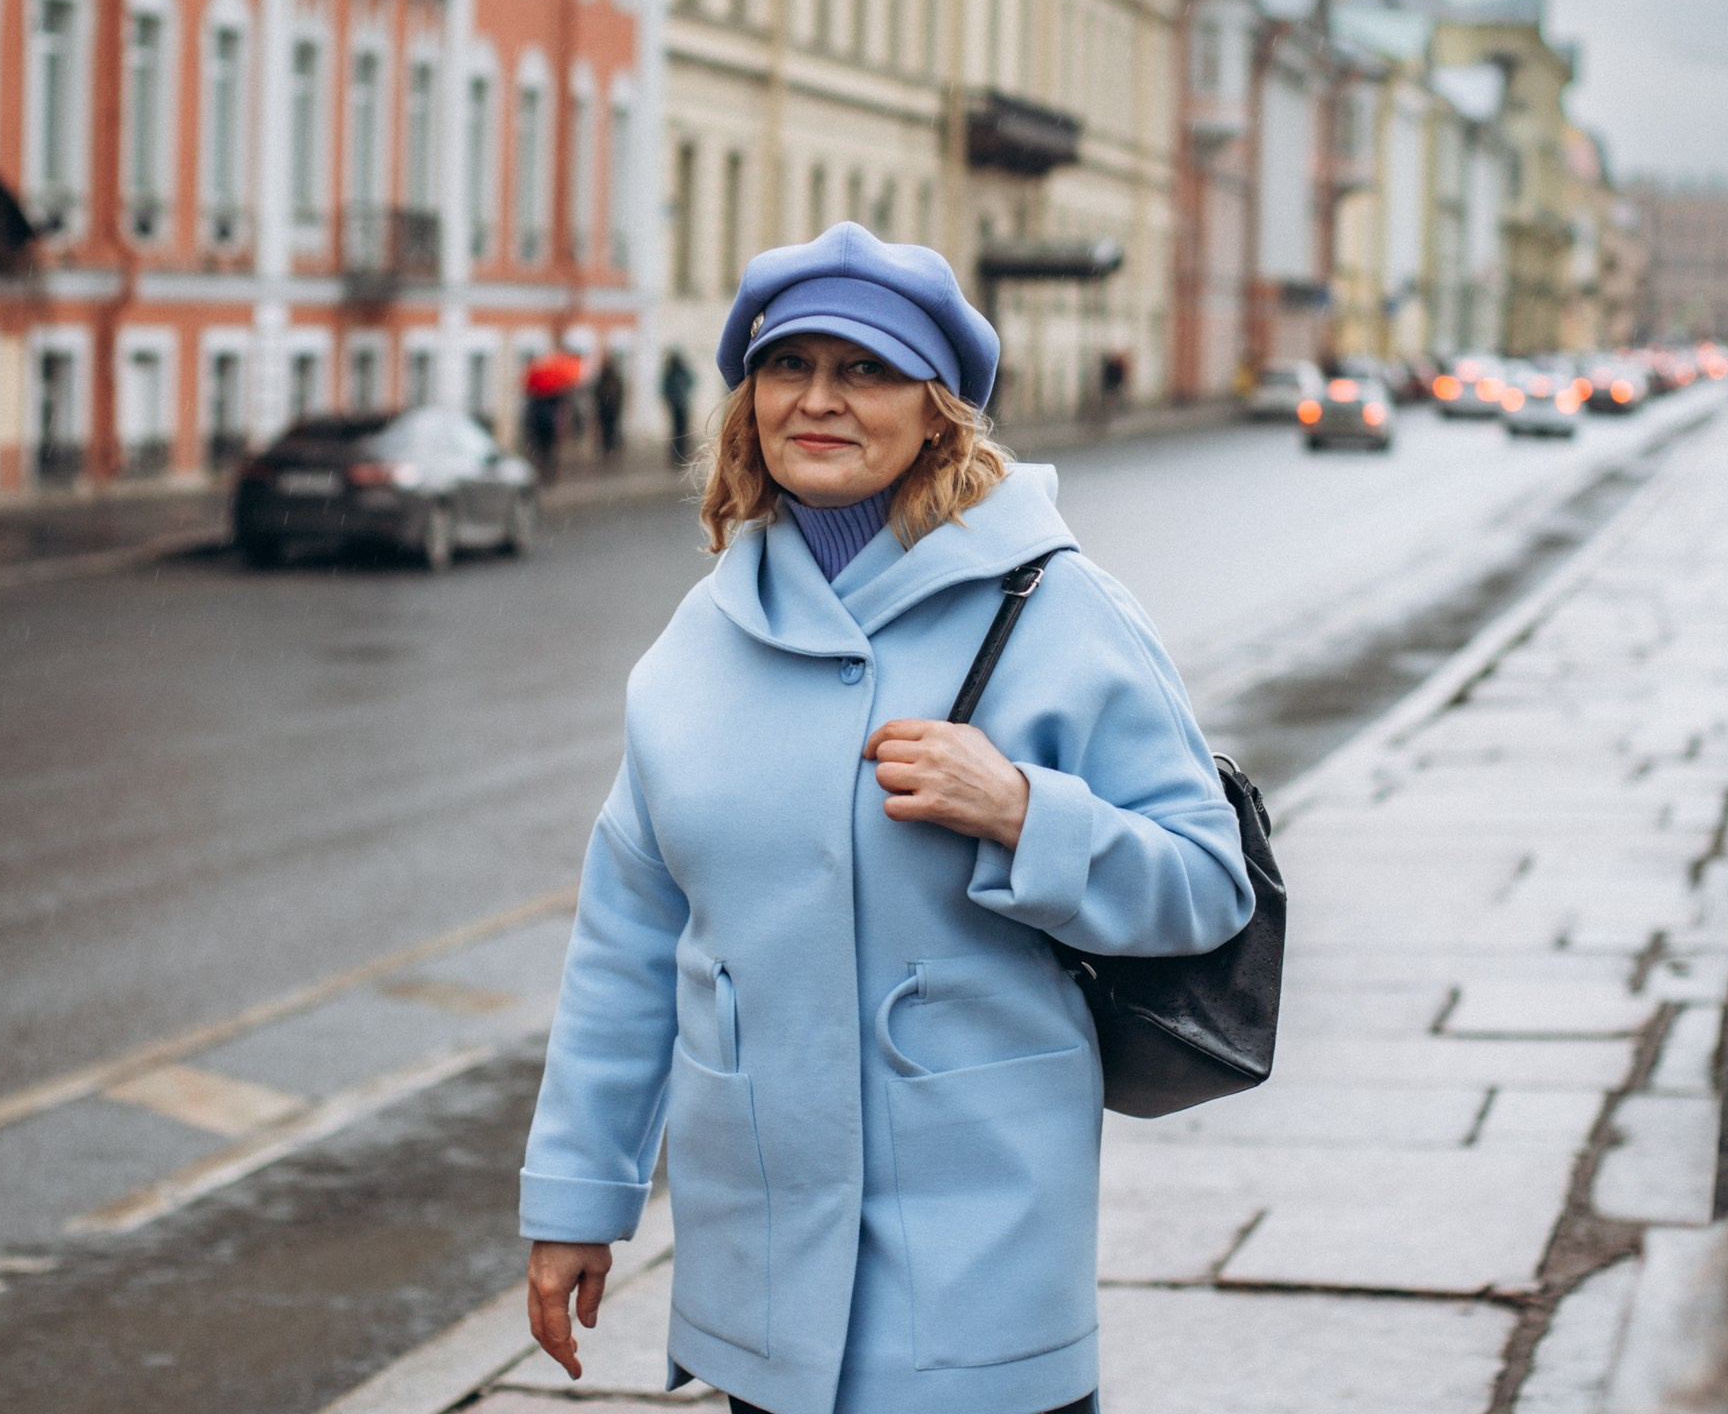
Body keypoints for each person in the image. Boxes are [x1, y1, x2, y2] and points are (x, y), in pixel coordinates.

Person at [521, 222, 1252, 1414]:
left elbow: (1206, 882)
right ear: (747, 396)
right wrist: (575, 1200)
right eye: (787, 366)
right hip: (759, 1254)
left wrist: (1023, 812)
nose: (819, 399)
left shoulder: (1058, 608)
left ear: (938, 409)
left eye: (864, 369)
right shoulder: (697, 647)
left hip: (983, 1247)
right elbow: (627, 944)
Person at [660, 346, 697, 466]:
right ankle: (678, 455)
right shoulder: (672, 372)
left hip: (681, 405)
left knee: (680, 431)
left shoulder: (676, 372)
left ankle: (679, 455)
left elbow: (691, 381)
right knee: (679, 431)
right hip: (678, 405)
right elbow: (665, 389)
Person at [593, 354, 627, 463]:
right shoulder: (606, 378)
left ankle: (610, 446)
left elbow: (619, 392)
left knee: (610, 428)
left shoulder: (612, 378)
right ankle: (608, 447)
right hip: (608, 408)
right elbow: (597, 392)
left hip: (610, 408)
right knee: (608, 428)